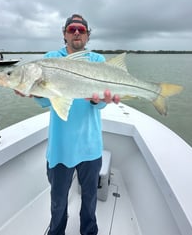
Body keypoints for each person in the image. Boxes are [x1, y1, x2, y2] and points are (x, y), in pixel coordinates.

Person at [16, 14, 119, 235]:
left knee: (90, 201)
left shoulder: (98, 61)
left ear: (88, 35)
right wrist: (33, 91)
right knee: (58, 203)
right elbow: (46, 101)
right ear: (64, 33)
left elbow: (100, 106)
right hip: (60, 148)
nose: (76, 33)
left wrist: (97, 100)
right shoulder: (50, 59)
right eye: (71, 29)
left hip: (90, 146)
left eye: (81, 29)